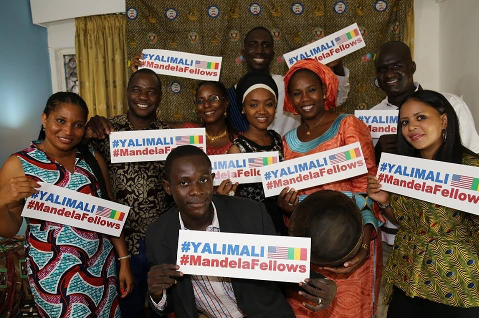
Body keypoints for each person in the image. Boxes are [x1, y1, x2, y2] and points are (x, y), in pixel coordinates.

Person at [145, 145, 337, 317]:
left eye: (203, 180)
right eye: (184, 183)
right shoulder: (158, 235)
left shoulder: (251, 214)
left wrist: (320, 284)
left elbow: (283, 267)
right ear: (168, 188)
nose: (196, 191)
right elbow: (168, 306)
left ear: (212, 180)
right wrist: (156, 293)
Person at [0, 92, 133, 317]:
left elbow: (108, 212)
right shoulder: (19, 163)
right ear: (44, 119)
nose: (68, 131)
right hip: (54, 274)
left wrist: (124, 259)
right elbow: (9, 229)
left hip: (101, 266)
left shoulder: (91, 157)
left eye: (78, 125)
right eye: (60, 121)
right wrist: (2, 201)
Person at [278, 59, 383, 318]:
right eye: (297, 92)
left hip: (351, 238)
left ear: (325, 91)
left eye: (311, 90)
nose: (305, 98)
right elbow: (292, 197)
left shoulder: (348, 126)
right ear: (290, 98)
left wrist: (364, 244)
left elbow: (367, 187)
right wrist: (287, 207)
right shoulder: (287, 141)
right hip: (309, 244)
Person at [367, 90, 479, 317]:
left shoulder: (470, 170)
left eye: (421, 117)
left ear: (444, 119)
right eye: (405, 122)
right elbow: (409, 222)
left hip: (455, 285)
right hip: (407, 280)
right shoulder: (403, 170)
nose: (411, 127)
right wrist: (386, 202)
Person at [372, 41, 479, 258]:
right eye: (382, 69)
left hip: (456, 255)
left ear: (412, 67)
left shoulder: (451, 104)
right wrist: (378, 152)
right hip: (399, 239)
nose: (411, 127)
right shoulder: (370, 116)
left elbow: (471, 156)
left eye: (421, 118)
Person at [85, 69, 174, 317]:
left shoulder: (170, 136)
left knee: (163, 308)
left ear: (159, 97)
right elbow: (71, 148)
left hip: (161, 240)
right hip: (122, 241)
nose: (142, 96)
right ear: (127, 93)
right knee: (128, 309)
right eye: (136, 89)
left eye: (151, 91)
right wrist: (87, 130)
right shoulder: (106, 131)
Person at [227, 72, 287, 235]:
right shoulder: (237, 150)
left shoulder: (277, 139)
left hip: (279, 219)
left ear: (275, 108)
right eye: (253, 105)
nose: (262, 111)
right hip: (252, 224)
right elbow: (231, 196)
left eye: (268, 104)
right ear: (243, 109)